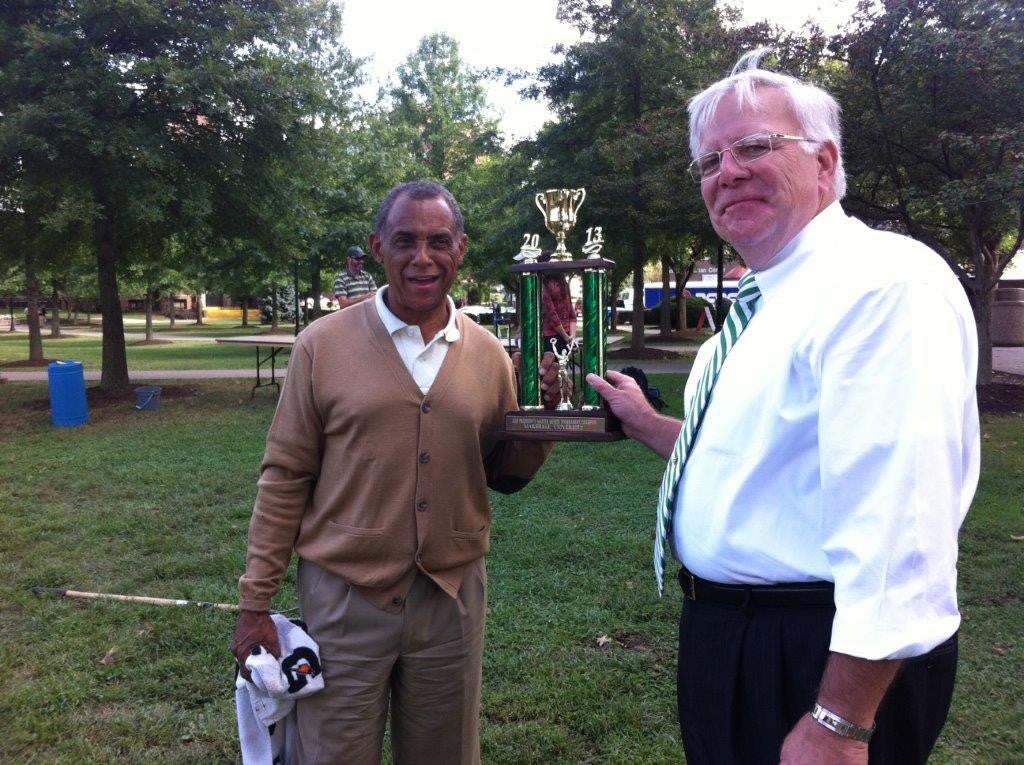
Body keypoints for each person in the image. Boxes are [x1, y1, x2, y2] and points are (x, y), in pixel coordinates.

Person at [588, 50, 979, 764]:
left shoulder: (880, 284)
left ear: (826, 163)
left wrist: (840, 722)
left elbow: (901, 519)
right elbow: (762, 458)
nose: (726, 171)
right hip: (728, 635)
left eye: (755, 146)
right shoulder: (760, 306)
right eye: (708, 162)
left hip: (818, 652)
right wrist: (650, 424)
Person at [232, 181, 562, 764]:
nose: (422, 257)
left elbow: (504, 473)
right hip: (343, 601)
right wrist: (256, 601)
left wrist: (544, 420)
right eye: (405, 240)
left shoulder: (488, 354)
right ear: (378, 246)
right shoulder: (322, 346)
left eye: (439, 241)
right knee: (332, 754)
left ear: (461, 249)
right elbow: (285, 477)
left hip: (450, 601)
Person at [541, 273, 576, 355]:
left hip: (552, 335)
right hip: (563, 334)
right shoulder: (563, 284)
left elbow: (552, 315)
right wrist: (571, 336)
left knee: (551, 362)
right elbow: (572, 315)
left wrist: (568, 337)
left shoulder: (546, 284)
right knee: (560, 363)